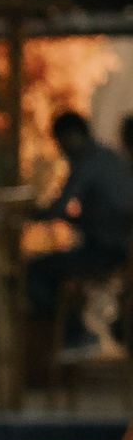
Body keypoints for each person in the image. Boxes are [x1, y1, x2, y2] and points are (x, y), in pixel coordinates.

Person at [25, 106, 133, 377]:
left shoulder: (87, 161)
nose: (60, 149)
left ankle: (75, 333)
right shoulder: (110, 158)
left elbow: (60, 208)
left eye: (60, 141)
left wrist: (34, 214)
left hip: (105, 252)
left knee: (33, 272)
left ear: (71, 136)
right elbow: (99, 215)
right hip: (116, 249)